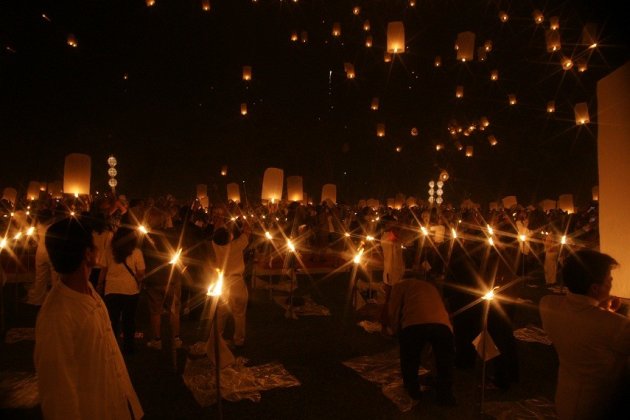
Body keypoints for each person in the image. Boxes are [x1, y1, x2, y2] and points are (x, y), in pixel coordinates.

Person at [34, 217, 143, 419]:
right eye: (93, 245)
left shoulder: (89, 291)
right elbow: (57, 394)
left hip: (115, 404)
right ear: (87, 253)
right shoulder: (57, 315)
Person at [540, 249, 630, 420]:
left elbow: (583, 320)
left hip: (565, 396)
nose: (611, 284)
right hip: (598, 405)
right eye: (609, 280)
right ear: (595, 288)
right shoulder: (617, 325)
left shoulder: (547, 304)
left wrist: (601, 308)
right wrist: (606, 313)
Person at [387, 275, 457, 405]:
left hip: (414, 323)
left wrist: (396, 329)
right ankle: (445, 394)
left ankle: (412, 389)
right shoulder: (431, 287)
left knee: (410, 358)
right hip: (442, 325)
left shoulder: (399, 285)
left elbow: (394, 309)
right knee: (444, 360)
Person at [100, 227, 145, 355]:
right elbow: (141, 272)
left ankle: (112, 347)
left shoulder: (109, 251)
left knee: (112, 320)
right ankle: (128, 348)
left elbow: (103, 269)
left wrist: (99, 284)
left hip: (111, 290)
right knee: (129, 321)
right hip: (130, 291)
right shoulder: (136, 252)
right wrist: (138, 279)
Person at [212, 221, 251, 347]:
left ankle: (218, 338)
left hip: (222, 281)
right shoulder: (236, 245)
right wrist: (246, 225)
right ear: (229, 237)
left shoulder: (214, 245)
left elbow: (218, 234)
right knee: (239, 313)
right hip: (236, 282)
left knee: (221, 312)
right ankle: (239, 340)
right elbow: (247, 233)